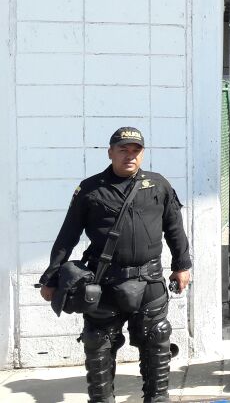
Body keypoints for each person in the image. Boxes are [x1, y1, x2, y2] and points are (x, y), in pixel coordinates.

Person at [39, 128, 192, 403]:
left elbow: (175, 229)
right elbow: (67, 236)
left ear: (142, 153)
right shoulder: (90, 189)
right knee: (98, 344)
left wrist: (182, 265)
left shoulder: (158, 185)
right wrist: (51, 278)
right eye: (123, 150)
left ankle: (157, 399)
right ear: (110, 153)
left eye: (135, 150)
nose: (129, 156)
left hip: (150, 283)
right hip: (104, 284)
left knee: (157, 339)